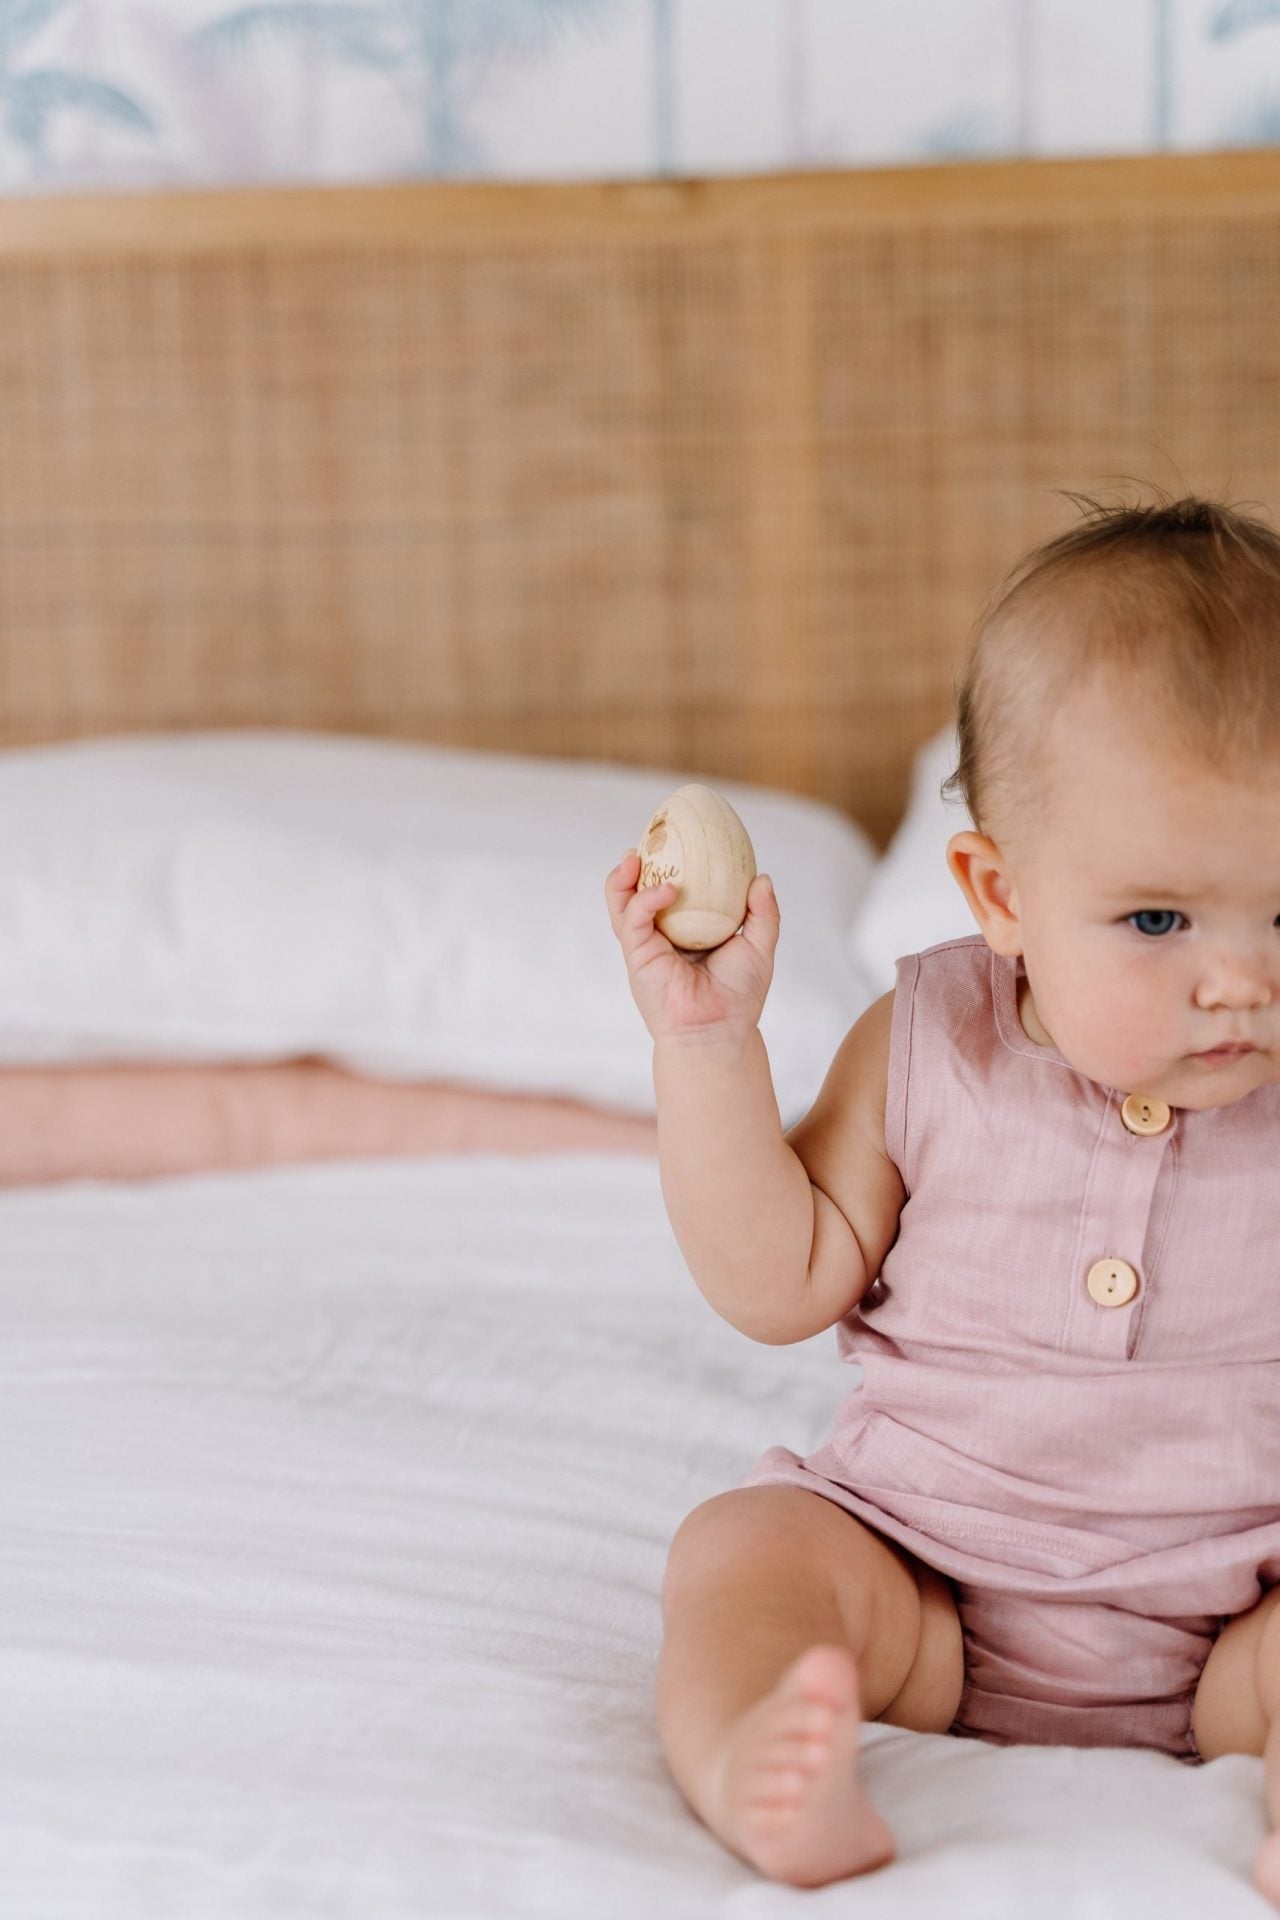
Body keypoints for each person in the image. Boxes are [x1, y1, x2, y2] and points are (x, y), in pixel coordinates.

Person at [604, 492, 1280, 1897]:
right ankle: (756, 1759)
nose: (1240, 980)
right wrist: (709, 1045)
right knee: (745, 1549)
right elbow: (775, 1279)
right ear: (1000, 894)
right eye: (1159, 919)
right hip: (929, 1592)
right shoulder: (926, 1048)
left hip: (1241, 1625)